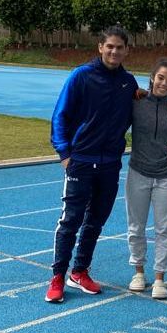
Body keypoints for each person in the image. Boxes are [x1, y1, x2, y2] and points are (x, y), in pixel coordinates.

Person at [45, 26, 138, 303]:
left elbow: (137, 111)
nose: (114, 51)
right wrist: (64, 154)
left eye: (119, 47)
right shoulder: (81, 76)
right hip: (81, 162)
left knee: (96, 221)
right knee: (70, 221)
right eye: (110, 46)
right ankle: (57, 277)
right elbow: (60, 115)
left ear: (126, 50)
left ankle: (80, 271)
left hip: (110, 164)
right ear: (100, 47)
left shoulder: (129, 83)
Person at [125, 59, 167, 300]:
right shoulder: (135, 104)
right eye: (160, 78)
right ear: (152, 78)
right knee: (136, 226)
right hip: (138, 172)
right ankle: (138, 273)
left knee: (164, 229)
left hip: (166, 176)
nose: (164, 83)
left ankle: (160, 277)